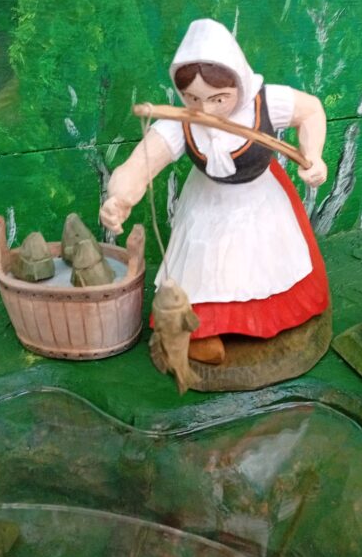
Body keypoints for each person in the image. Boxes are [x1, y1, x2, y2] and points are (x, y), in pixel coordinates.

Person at [99, 19, 329, 365]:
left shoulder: (266, 101)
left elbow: (311, 111)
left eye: (218, 98)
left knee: (266, 260)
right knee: (207, 265)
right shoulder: (180, 121)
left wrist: (314, 155)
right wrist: (119, 198)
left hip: (260, 197)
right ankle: (203, 331)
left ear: (238, 82)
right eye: (193, 98)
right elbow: (140, 163)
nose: (205, 109)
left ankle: (264, 321)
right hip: (207, 202)